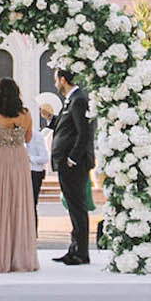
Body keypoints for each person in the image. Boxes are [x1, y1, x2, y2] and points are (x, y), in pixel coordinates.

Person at [0, 78, 39, 274]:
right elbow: (28, 138)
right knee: (18, 203)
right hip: (18, 158)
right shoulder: (25, 114)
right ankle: (18, 257)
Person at [51, 69, 95, 265]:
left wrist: (72, 158)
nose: (55, 85)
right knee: (72, 206)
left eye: (56, 80)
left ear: (62, 80)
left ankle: (81, 253)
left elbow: (83, 132)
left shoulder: (79, 99)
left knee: (77, 206)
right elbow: (65, 127)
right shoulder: (70, 100)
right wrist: (51, 119)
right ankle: (74, 248)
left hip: (73, 165)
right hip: (66, 163)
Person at [27, 98, 55, 205]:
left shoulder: (37, 135)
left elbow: (44, 157)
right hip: (23, 172)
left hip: (35, 172)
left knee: (32, 203)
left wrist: (30, 158)